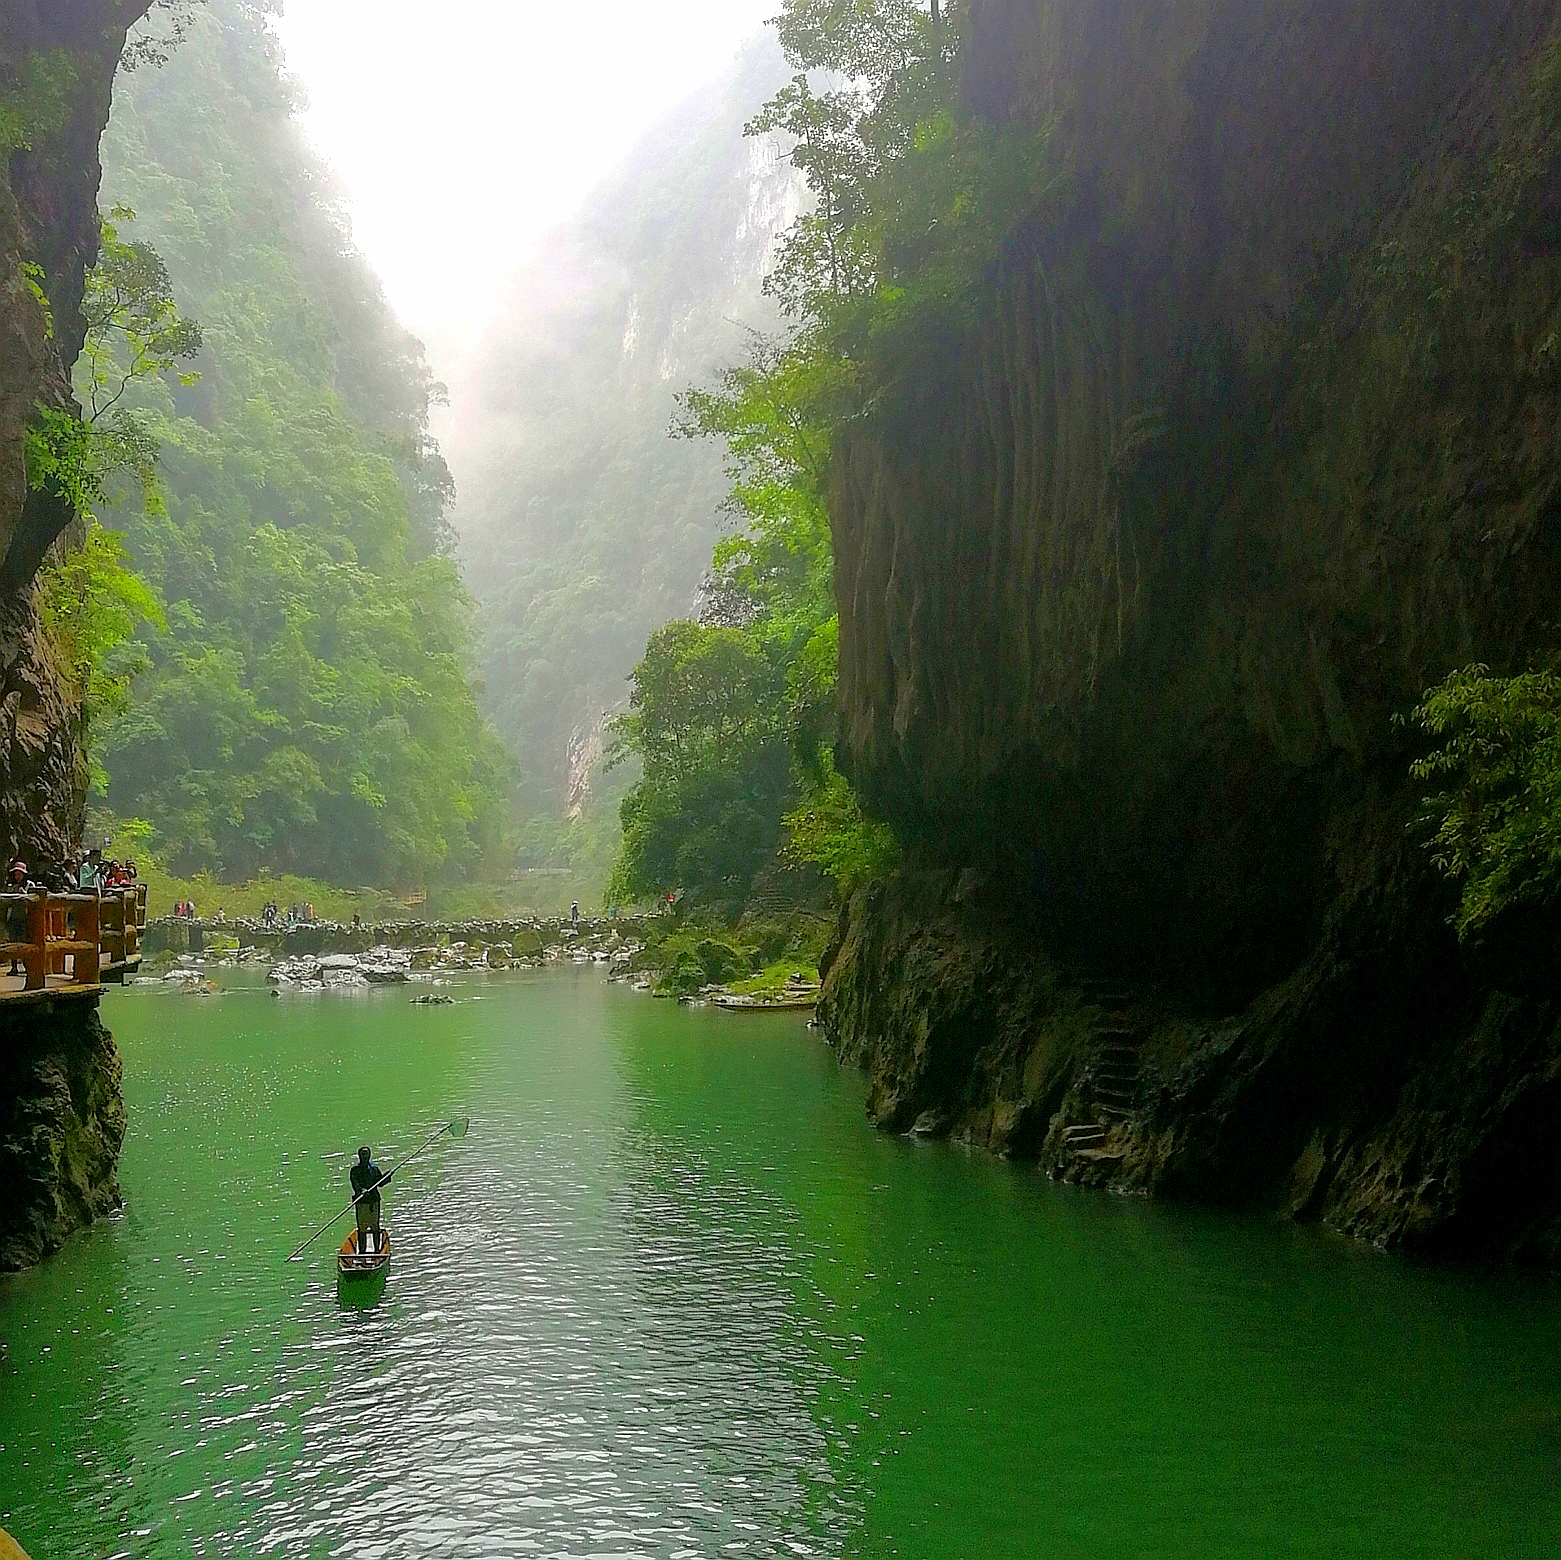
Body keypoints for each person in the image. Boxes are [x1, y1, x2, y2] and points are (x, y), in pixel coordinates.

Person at [350, 1145, 391, 1254]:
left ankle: (377, 1251)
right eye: (363, 1154)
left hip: (374, 1202)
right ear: (359, 1156)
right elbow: (355, 1185)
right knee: (362, 1228)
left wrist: (387, 1177)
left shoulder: (374, 1169)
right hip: (362, 1203)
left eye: (367, 1154)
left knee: (375, 1227)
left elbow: (380, 1183)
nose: (365, 1156)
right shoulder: (355, 1170)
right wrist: (361, 1190)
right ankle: (362, 1252)